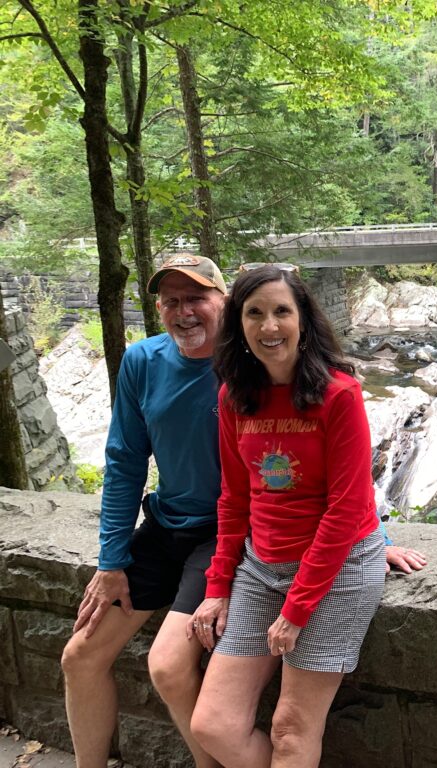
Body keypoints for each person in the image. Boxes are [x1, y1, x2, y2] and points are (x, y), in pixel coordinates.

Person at [188, 265, 386, 768]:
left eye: (282, 311)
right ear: (239, 324)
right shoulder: (235, 395)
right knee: (212, 724)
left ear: (303, 321)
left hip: (337, 573)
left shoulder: (338, 393)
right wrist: (217, 587)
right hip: (261, 567)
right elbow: (234, 499)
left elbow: (346, 509)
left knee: (291, 730)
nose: (269, 326)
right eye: (255, 313)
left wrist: (297, 609)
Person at [61, 254, 229, 768]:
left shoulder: (252, 364)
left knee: (169, 668)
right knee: (79, 656)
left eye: (197, 298)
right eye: (171, 301)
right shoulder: (142, 361)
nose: (184, 311)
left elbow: (315, 455)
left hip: (225, 535)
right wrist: (111, 562)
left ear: (224, 300)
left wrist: (368, 536)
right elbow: (125, 462)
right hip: (164, 528)